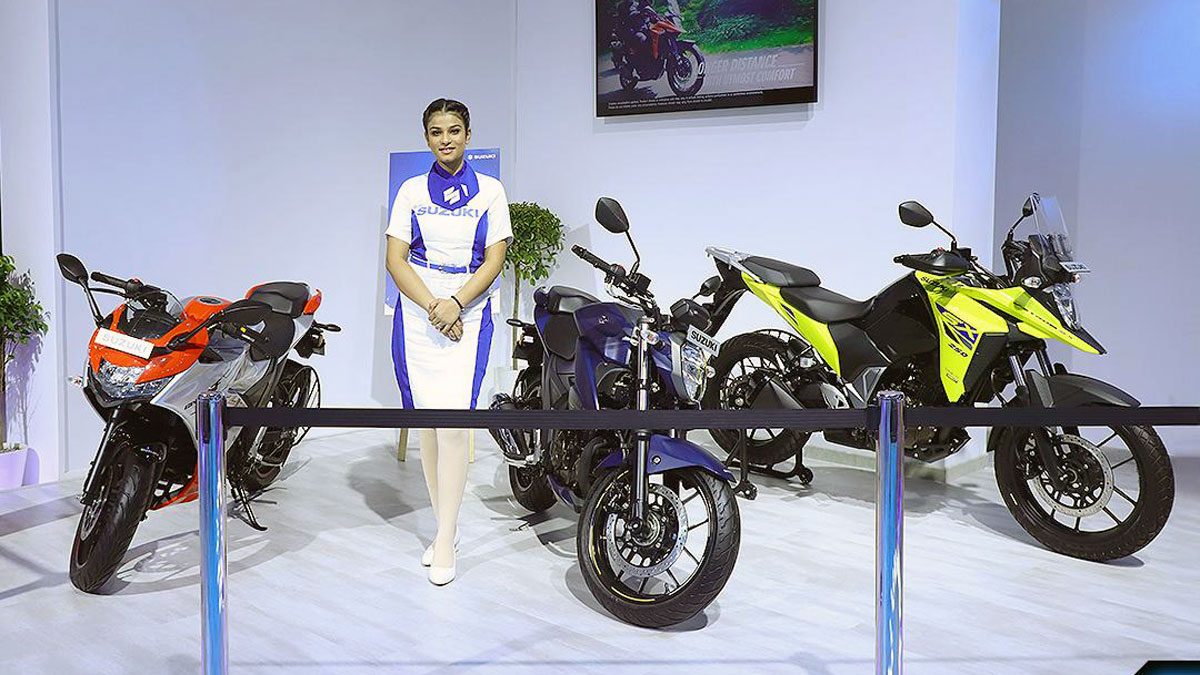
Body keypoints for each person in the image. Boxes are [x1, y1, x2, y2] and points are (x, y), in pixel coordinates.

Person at [384, 98, 511, 586]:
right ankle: (445, 530)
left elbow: (495, 259)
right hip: (420, 312)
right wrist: (434, 306)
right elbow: (396, 259)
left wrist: (456, 303)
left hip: (469, 312)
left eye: (454, 130)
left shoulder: (491, 191)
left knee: (454, 426)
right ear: (426, 138)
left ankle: (444, 538)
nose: (445, 139)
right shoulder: (411, 190)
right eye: (436, 132)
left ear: (468, 135)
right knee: (429, 426)